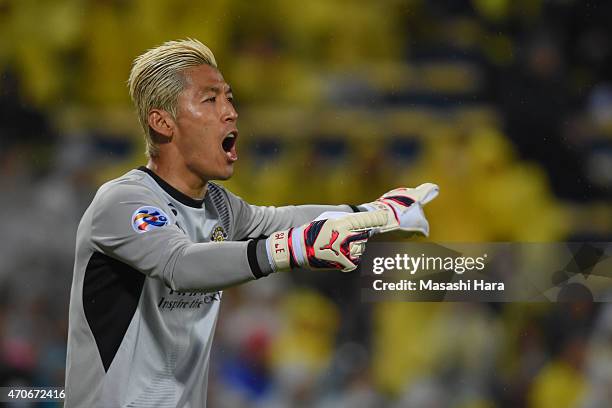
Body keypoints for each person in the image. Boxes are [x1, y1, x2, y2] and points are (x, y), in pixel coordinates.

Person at [64, 38, 439, 407]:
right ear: (162, 122)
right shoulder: (123, 201)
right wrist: (293, 247)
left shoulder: (219, 207)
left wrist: (375, 213)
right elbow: (180, 264)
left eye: (229, 97)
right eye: (210, 99)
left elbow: (282, 220)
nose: (230, 111)